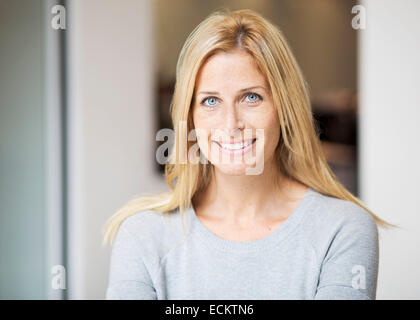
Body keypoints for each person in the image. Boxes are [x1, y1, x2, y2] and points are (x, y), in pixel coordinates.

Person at [102, 9, 394, 300]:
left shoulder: (342, 230)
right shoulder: (142, 235)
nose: (231, 124)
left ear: (284, 109)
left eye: (251, 97)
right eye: (211, 101)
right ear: (190, 117)